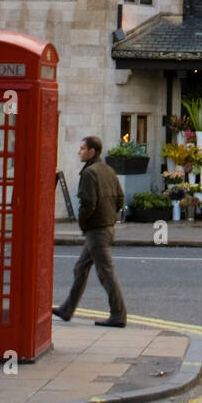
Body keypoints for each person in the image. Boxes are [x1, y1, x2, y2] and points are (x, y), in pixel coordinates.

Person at [53, 135, 128, 327]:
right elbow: (120, 199)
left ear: (91, 152)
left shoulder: (89, 173)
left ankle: (118, 314)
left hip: (96, 230)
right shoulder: (108, 170)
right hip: (107, 227)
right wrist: (109, 216)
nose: (79, 152)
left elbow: (88, 203)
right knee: (81, 267)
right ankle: (66, 310)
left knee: (106, 273)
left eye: (82, 149)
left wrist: (83, 223)